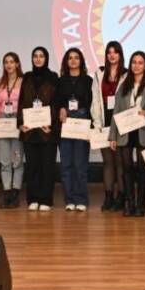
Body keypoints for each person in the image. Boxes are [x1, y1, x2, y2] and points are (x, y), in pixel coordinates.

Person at [55, 48, 104, 212]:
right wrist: (61, 108)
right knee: (66, 165)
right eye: (70, 58)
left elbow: (93, 104)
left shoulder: (89, 81)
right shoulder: (60, 81)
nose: (73, 61)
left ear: (81, 61)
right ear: (66, 62)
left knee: (80, 165)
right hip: (66, 123)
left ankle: (81, 199)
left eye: (77, 58)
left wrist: (92, 127)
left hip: (82, 122)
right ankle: (69, 199)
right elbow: (56, 101)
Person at [109, 51, 145, 217]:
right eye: (134, 62)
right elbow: (116, 111)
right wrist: (112, 136)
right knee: (126, 169)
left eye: (140, 62)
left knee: (143, 170)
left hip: (144, 132)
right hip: (125, 131)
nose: (136, 65)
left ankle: (141, 205)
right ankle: (130, 203)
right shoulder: (124, 85)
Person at [20, 46, 59, 211]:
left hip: (46, 130)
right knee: (32, 166)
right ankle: (33, 198)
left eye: (41, 56)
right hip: (29, 131)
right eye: (35, 56)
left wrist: (52, 125)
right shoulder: (27, 77)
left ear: (46, 58)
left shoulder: (53, 77)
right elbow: (21, 102)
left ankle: (46, 199)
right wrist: (20, 123)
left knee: (47, 166)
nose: (38, 59)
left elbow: (56, 104)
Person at [95, 41, 125, 212]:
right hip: (104, 120)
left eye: (115, 52)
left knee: (120, 162)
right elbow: (94, 99)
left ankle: (121, 197)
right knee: (108, 162)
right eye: (109, 52)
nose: (112, 55)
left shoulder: (126, 74)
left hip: (120, 121)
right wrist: (97, 122)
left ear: (120, 55)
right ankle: (108, 197)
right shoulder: (99, 73)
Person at [0, 52, 24, 209]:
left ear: (17, 64)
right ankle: (6, 192)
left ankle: (15, 193)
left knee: (17, 160)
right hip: (3, 124)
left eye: (12, 62)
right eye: (6, 62)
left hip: (17, 124)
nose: (9, 65)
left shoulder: (23, 82)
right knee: (5, 161)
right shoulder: (0, 83)